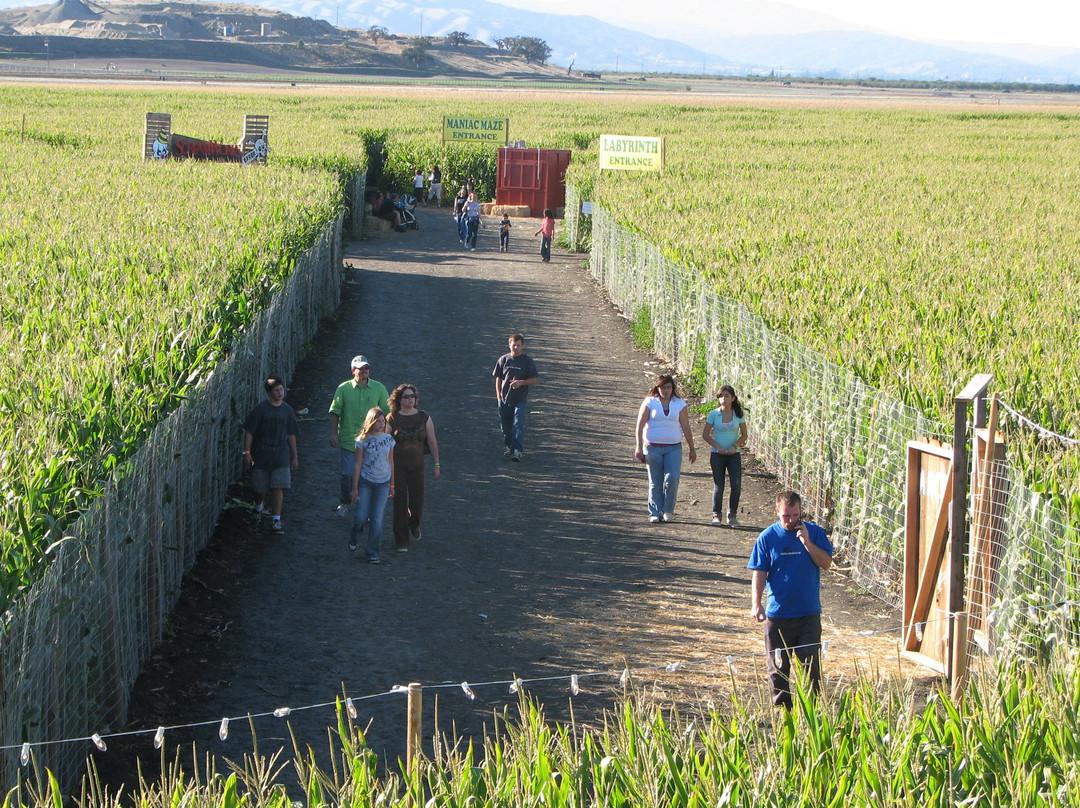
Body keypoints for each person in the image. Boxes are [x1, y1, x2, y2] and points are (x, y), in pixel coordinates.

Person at [748, 490, 834, 709]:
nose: (791, 520)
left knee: (811, 668)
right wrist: (756, 604)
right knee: (778, 670)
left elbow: (826, 563)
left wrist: (806, 543)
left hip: (808, 615)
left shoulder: (814, 533)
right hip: (778, 617)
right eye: (786, 516)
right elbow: (759, 572)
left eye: (795, 515)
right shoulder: (767, 537)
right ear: (777, 511)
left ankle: (813, 712)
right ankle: (784, 714)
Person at [329, 356, 390, 518]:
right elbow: (335, 412)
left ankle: (367, 507)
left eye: (366, 368)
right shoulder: (343, 389)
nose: (364, 371)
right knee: (348, 473)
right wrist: (333, 433)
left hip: (371, 442)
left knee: (368, 474)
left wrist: (385, 433)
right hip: (350, 440)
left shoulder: (378, 388)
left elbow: (387, 411)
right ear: (353, 370)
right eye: (361, 368)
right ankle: (345, 501)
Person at [633, 374, 697, 523]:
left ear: (673, 388)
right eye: (662, 387)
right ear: (657, 388)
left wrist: (692, 448)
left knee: (672, 478)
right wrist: (638, 447)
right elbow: (640, 425)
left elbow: (686, 427)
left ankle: (668, 509)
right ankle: (654, 511)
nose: (665, 390)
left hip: (673, 447)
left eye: (668, 387)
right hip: (652, 447)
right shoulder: (650, 402)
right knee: (655, 481)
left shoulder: (679, 403)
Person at [242, 376, 300, 534]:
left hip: (281, 455)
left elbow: (291, 434)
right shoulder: (260, 409)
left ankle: (276, 519)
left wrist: (294, 456)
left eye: (281, 389)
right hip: (261, 454)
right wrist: (247, 452)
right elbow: (249, 432)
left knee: (278, 486)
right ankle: (258, 505)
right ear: (269, 392)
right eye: (276, 390)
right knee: (259, 487)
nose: (280, 392)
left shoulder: (287, 410)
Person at [387, 384, 441, 552]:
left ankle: (414, 523)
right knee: (399, 503)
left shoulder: (424, 417)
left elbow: (432, 441)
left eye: (412, 396)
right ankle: (401, 541)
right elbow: (385, 444)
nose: (410, 399)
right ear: (399, 400)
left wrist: (437, 463)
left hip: (417, 466)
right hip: (397, 467)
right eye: (406, 396)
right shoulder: (392, 419)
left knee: (417, 501)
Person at [350, 408, 396, 564]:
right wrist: (354, 487)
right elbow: (357, 465)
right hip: (365, 482)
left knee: (377, 519)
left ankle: (373, 552)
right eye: (379, 421)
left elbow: (391, 462)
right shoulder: (362, 441)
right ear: (371, 422)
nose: (382, 424)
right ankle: (355, 535)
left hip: (383, 482)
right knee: (361, 516)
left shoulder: (389, 439)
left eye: (383, 421)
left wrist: (392, 485)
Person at [702, 385, 748, 527]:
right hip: (717, 454)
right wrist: (718, 447)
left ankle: (732, 514)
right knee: (719, 485)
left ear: (733, 398)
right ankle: (717, 514)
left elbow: (744, 435)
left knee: (736, 484)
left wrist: (734, 446)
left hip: (733, 455)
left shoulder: (738, 415)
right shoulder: (714, 414)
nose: (724, 399)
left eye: (727, 396)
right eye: (721, 396)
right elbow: (705, 435)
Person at [492, 333, 538, 461]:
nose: (516, 348)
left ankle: (517, 450)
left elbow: (534, 379)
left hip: (520, 399)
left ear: (522, 346)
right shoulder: (503, 360)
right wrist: (498, 396)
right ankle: (510, 446)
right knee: (505, 426)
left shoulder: (527, 361)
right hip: (504, 399)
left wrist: (521, 383)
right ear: (509, 345)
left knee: (518, 423)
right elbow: (498, 379)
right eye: (514, 345)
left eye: (519, 345)